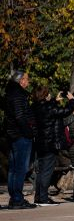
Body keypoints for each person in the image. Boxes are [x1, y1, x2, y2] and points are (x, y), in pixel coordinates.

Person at [31, 86, 74, 205]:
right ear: (45, 95)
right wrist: (72, 100)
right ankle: (44, 198)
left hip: (40, 143)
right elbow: (64, 112)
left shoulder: (35, 107)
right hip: (50, 143)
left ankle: (38, 197)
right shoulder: (48, 107)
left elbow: (49, 110)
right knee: (47, 171)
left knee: (41, 171)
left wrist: (55, 101)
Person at [4, 70, 36, 209]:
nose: (28, 82)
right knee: (19, 168)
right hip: (20, 135)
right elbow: (19, 116)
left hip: (13, 134)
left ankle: (14, 197)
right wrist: (29, 132)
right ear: (20, 81)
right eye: (26, 79)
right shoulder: (18, 95)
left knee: (13, 168)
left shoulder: (10, 93)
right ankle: (17, 198)